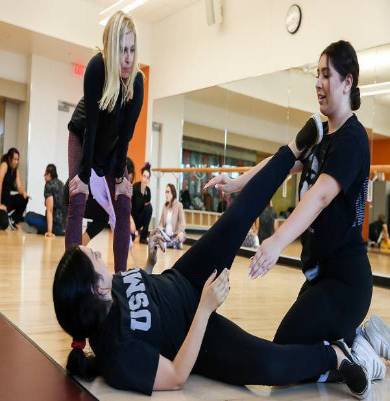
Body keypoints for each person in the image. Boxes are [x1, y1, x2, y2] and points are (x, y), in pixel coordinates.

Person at [53, 134, 386, 399]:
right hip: (195, 329)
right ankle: (337, 358)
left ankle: (292, 148)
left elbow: (146, 302)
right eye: (94, 258)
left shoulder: (109, 288)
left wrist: (152, 261)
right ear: (96, 289)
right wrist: (204, 310)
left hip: (182, 277)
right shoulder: (117, 355)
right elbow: (176, 376)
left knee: (236, 218)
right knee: (267, 364)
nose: (99, 254)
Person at [205, 41, 376, 383]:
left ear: (347, 82)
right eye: (317, 74)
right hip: (318, 279)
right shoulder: (321, 133)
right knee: (287, 345)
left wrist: (277, 241)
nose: (318, 82)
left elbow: (320, 197)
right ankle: (356, 341)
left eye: (327, 75)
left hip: (346, 283)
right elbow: (280, 162)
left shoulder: (353, 140)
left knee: (285, 347)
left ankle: (355, 354)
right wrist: (235, 183)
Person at [65, 11, 143, 273]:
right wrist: (84, 177)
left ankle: (121, 277)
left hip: (111, 146)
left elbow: (127, 135)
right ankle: (72, 274)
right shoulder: (97, 68)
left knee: (123, 200)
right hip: (83, 134)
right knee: (77, 196)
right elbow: (92, 127)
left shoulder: (137, 82)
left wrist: (120, 177)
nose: (128, 58)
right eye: (122, 50)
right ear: (111, 48)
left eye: (132, 49)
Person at [23, 164, 65, 236]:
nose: (44, 176)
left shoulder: (49, 185)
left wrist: (49, 232)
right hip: (64, 226)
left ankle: (47, 230)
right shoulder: (61, 184)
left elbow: (50, 210)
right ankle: (43, 230)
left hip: (56, 226)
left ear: (49, 174)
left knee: (28, 216)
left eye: (45, 174)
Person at [0, 147, 29, 227]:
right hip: (1, 201)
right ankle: (6, 218)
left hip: (7, 200)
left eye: (18, 159)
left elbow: (19, 185)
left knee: (24, 198)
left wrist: (23, 192)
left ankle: (13, 219)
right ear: (9, 158)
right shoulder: (4, 165)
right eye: (15, 159)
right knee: (4, 224)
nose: (16, 162)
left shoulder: (15, 170)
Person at [159, 183, 186, 249]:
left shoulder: (179, 205)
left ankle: (169, 243)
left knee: (181, 236)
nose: (166, 194)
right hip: (166, 235)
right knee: (156, 236)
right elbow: (161, 223)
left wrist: (180, 232)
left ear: (173, 193)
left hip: (175, 235)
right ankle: (172, 244)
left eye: (168, 192)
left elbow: (182, 223)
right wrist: (159, 230)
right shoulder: (165, 206)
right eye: (165, 192)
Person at [131, 163, 152, 244]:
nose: (145, 179)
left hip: (140, 219)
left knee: (149, 207)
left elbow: (146, 209)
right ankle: (132, 233)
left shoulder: (148, 191)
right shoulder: (135, 187)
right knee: (131, 239)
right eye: (144, 176)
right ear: (141, 176)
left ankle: (143, 237)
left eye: (147, 177)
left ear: (149, 179)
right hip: (132, 218)